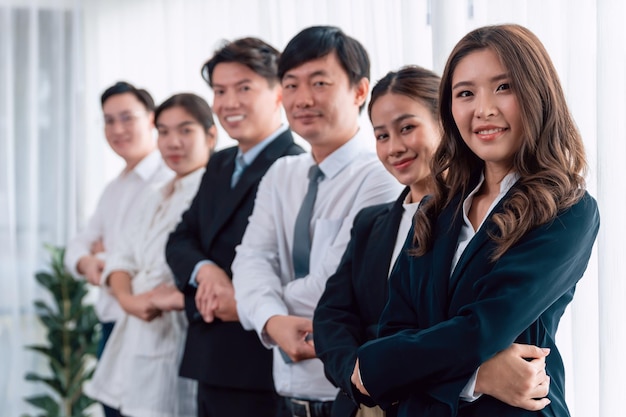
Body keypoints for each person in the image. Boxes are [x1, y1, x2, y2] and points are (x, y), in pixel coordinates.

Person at [352, 24, 600, 417]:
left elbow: (483, 329)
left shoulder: (567, 209)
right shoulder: (435, 211)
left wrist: (380, 366)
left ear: (537, 94)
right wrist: (479, 376)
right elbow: (395, 331)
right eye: (465, 93)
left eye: (503, 87)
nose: (483, 109)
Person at [313, 65, 556, 417]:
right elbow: (331, 318)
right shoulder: (370, 223)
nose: (394, 147)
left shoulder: (496, 214)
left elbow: (478, 329)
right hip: (368, 403)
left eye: (407, 128)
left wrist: (388, 367)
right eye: (381, 136)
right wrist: (364, 375)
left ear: (446, 123)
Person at [231, 26, 402, 417]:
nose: (302, 98)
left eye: (319, 82)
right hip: (284, 393)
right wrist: (272, 319)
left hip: (349, 395)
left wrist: (250, 304)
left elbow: (335, 288)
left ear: (360, 92)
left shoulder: (382, 172)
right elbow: (250, 259)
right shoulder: (282, 173)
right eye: (290, 85)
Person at [164, 38, 304, 417]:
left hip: (256, 360)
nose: (229, 102)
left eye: (244, 88)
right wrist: (206, 271)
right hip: (207, 356)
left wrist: (239, 300)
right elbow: (180, 238)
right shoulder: (220, 162)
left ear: (279, 92)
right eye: (220, 91)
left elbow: (290, 265)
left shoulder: (296, 167)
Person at [84, 93, 216, 417]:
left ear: (211, 135)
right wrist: (129, 299)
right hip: (129, 335)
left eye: (185, 131)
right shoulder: (154, 193)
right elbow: (121, 258)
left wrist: (131, 285)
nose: (173, 142)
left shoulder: (212, 192)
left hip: (174, 338)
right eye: (164, 132)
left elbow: (164, 270)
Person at [64, 81, 173, 417]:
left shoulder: (169, 178)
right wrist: (88, 260)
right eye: (109, 121)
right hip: (110, 325)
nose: (117, 129)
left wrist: (103, 258)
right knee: (111, 408)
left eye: (127, 118)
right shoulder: (114, 187)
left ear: (152, 119)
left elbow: (149, 264)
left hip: (149, 328)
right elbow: (77, 245)